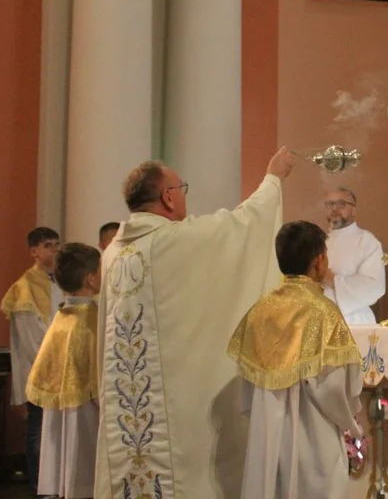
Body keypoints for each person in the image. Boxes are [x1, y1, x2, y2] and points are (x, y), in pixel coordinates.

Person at [93, 148, 295, 499]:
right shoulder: (171, 240)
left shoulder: (113, 252)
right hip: (176, 419)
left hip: (127, 412)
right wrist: (273, 179)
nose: (184, 195)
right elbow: (243, 224)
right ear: (168, 197)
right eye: (181, 187)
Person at [228, 221, 363, 498]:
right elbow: (335, 388)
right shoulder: (324, 312)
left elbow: (246, 391)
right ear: (318, 261)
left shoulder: (260, 310)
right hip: (314, 435)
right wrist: (350, 420)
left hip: (266, 433)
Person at [26, 243, 101, 499]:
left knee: (65, 475)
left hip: (59, 409)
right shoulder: (92, 321)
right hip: (86, 412)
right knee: (83, 477)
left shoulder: (61, 318)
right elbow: (100, 374)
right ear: (91, 279)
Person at [0, 226, 63, 495]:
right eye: (48, 245)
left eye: (57, 244)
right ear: (34, 251)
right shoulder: (23, 290)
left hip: (63, 370)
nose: (54, 250)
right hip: (41, 371)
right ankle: (40, 485)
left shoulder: (60, 282)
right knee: (38, 432)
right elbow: (32, 340)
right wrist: (53, 364)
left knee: (58, 434)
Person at [323, 187, 386, 325]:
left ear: (353, 210)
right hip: (320, 319)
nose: (334, 209)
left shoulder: (368, 242)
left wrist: (331, 279)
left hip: (353, 320)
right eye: (330, 204)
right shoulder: (318, 241)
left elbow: (374, 286)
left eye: (341, 204)